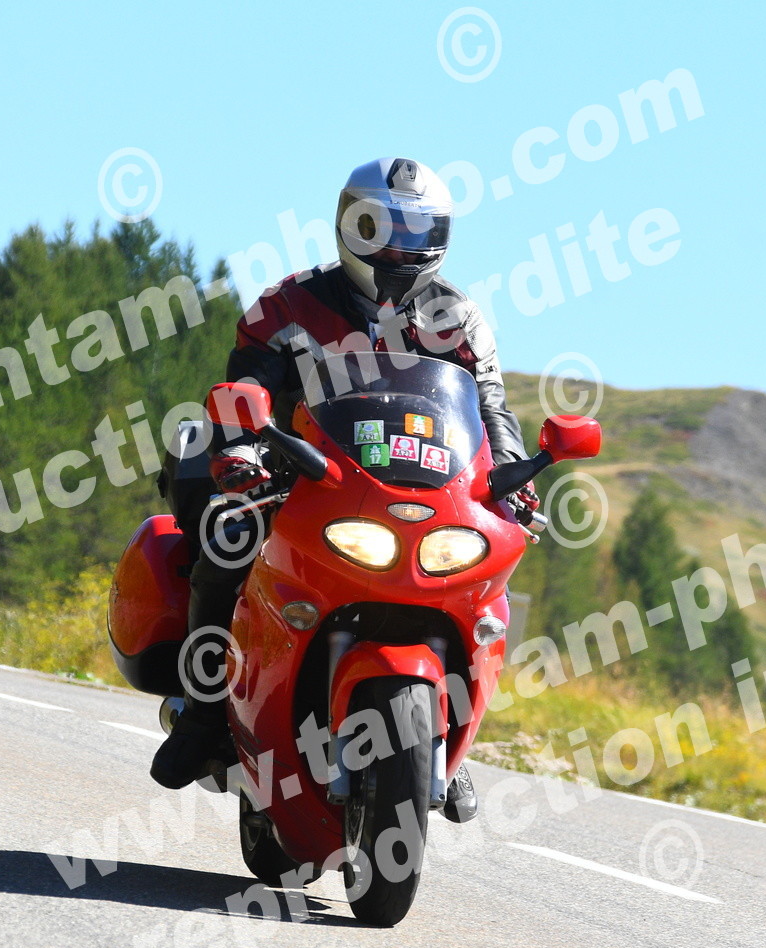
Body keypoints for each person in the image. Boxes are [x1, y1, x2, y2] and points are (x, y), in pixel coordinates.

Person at [150, 157, 539, 810]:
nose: (397, 247)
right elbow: (247, 384)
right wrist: (241, 445)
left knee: (482, 585)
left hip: (425, 490)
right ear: (347, 224)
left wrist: (512, 475)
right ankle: (205, 715)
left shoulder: (458, 317)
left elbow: (490, 407)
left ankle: (449, 739)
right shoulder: (288, 305)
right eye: (379, 227)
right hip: (304, 478)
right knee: (227, 539)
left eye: (416, 232)